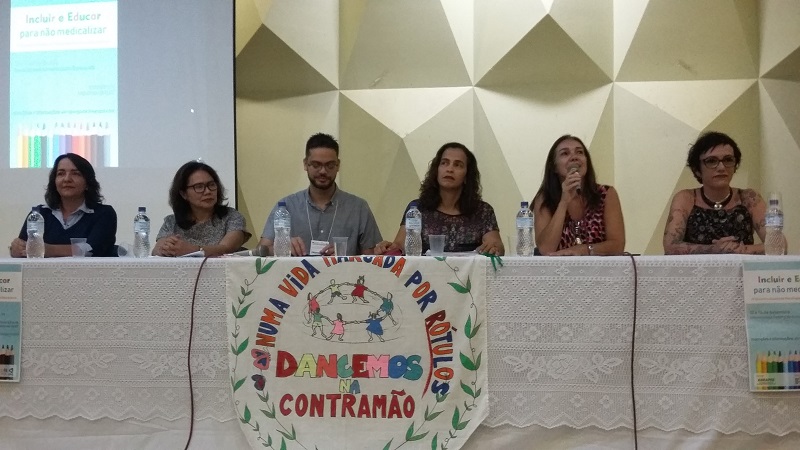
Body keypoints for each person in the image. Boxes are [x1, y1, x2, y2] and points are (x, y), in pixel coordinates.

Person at [258, 133, 382, 256]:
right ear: (306, 164)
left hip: (343, 274)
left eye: (330, 165)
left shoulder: (358, 208)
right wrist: (282, 247)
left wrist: (344, 256)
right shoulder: (287, 206)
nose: (323, 171)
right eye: (316, 165)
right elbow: (260, 250)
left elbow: (371, 259)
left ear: (338, 165)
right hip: (296, 275)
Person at [374, 142, 504, 255]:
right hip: (423, 280)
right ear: (436, 171)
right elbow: (399, 248)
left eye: (457, 165)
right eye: (444, 163)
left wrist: (494, 248)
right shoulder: (417, 209)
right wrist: (387, 248)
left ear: (467, 176)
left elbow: (496, 246)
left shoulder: (482, 211)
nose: (450, 169)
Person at [663, 131, 766, 254]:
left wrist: (741, 250)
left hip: (742, 271)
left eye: (728, 160)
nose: (721, 167)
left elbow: (779, 243)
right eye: (711, 161)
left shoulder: (749, 198)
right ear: (697, 170)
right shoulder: (686, 198)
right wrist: (714, 250)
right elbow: (670, 246)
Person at [9, 153, 117, 257]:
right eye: (61, 173)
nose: (67, 179)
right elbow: (25, 247)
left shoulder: (104, 213)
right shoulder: (39, 214)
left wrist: (48, 250)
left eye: (75, 173)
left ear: (88, 183)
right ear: (54, 182)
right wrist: (16, 250)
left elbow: (93, 249)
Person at [532, 135, 625, 256]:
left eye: (579, 152)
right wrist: (564, 202)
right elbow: (545, 249)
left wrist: (583, 250)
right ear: (554, 166)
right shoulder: (545, 198)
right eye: (565, 153)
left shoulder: (606, 194)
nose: (574, 157)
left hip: (601, 272)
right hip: (559, 272)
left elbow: (617, 245)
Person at [152, 161, 251, 257]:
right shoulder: (172, 222)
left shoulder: (232, 217)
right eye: (199, 187)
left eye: (211, 185)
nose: (208, 191)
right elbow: (156, 251)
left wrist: (192, 250)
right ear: (183, 194)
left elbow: (226, 248)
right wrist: (166, 249)